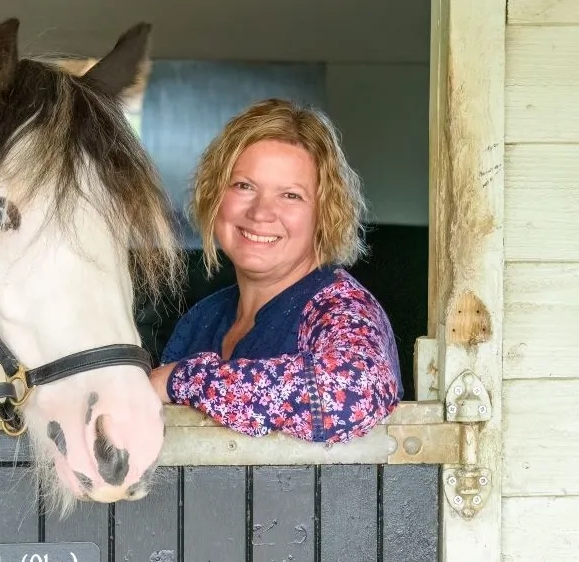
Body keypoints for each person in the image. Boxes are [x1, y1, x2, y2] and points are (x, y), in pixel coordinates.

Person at [149, 98, 403, 444]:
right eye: (244, 186)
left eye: (290, 195)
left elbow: (350, 394)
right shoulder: (201, 320)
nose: (261, 212)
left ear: (324, 214)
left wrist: (180, 380)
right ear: (214, 195)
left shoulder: (340, 308)